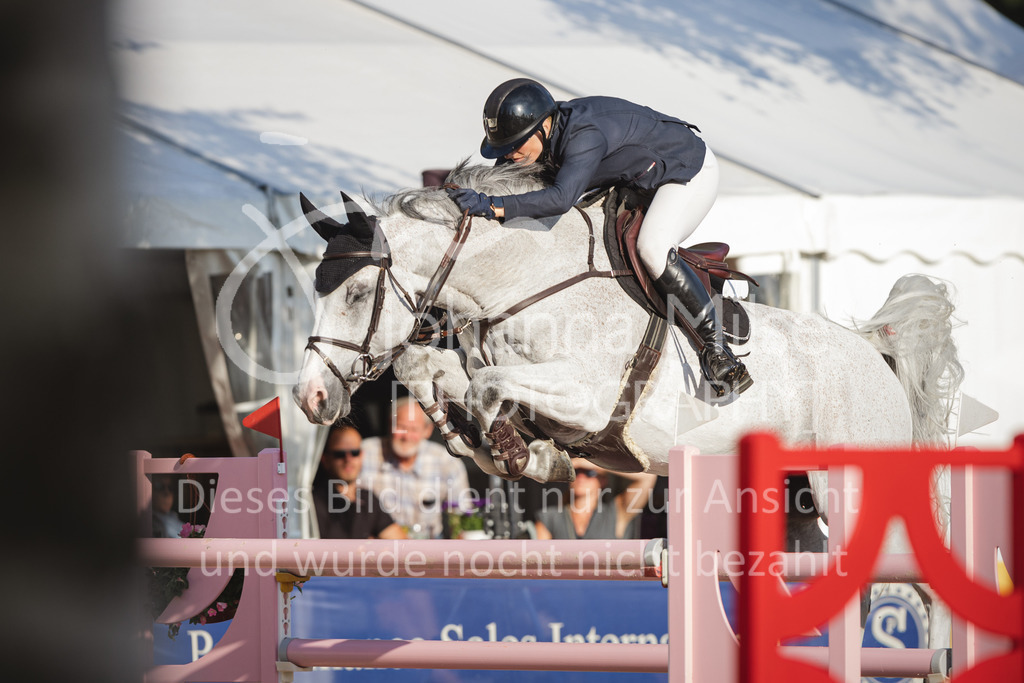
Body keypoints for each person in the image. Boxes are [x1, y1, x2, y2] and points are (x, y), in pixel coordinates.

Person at [447, 78, 752, 396]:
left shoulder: (584, 135)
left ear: (543, 126)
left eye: (515, 146)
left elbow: (560, 200)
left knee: (652, 247)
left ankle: (717, 349)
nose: (509, 155)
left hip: (686, 170)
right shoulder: (535, 140)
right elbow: (504, 185)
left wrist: (492, 205)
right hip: (635, 180)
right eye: (504, 149)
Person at [360, 397, 472, 537]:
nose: (406, 436)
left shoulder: (446, 462)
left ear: (427, 431)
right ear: (390, 424)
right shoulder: (363, 453)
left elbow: (461, 515)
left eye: (414, 429)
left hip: (428, 544)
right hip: (378, 543)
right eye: (401, 427)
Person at [312, 425, 406, 540]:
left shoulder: (368, 498)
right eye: (339, 454)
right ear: (325, 459)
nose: (348, 459)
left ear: (362, 456)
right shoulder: (315, 501)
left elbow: (401, 543)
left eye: (354, 452)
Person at [535, 459, 657, 540]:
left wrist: (597, 464)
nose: (581, 477)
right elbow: (538, 561)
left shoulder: (615, 513)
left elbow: (648, 477)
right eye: (576, 472)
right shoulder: (550, 517)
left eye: (589, 473)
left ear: (603, 480)